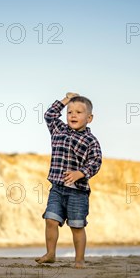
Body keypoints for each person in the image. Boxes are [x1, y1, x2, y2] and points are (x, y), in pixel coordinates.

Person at [35, 92, 102, 269]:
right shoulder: (59, 130)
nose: (73, 115)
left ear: (90, 118)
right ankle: (51, 254)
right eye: (70, 111)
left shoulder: (91, 141)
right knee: (50, 220)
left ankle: (79, 260)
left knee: (77, 226)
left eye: (79, 112)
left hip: (78, 192)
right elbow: (49, 115)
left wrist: (81, 173)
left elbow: (96, 162)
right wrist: (66, 100)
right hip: (57, 188)